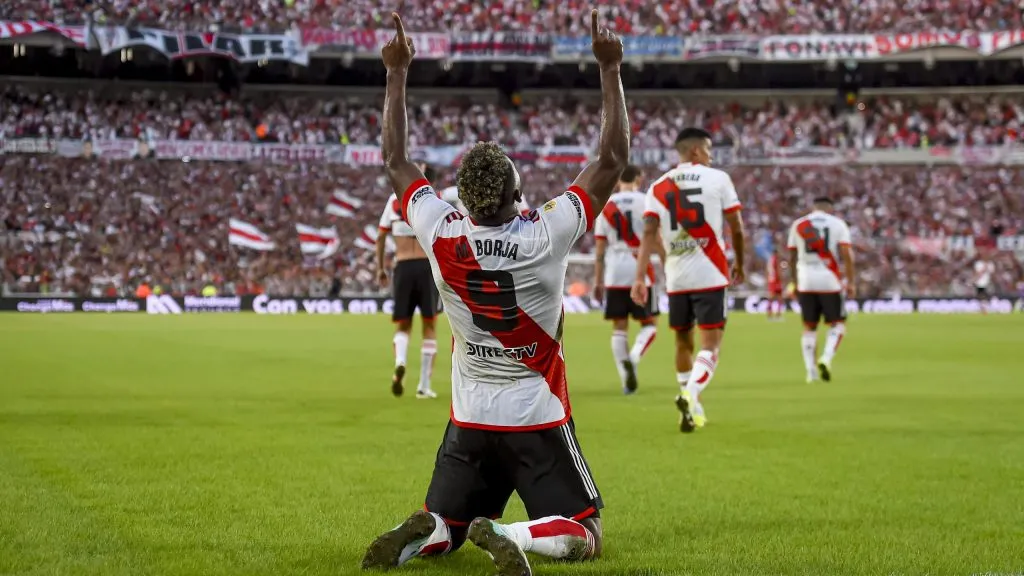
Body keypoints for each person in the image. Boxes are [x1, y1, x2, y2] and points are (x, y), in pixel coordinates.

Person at [362, 11, 627, 576]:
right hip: (536, 410)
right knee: (587, 533)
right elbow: (611, 161)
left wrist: (397, 73)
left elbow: (396, 160)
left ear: (462, 198)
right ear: (517, 193)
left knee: (450, 523)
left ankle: (429, 530)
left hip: (470, 414)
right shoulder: (546, 233)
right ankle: (510, 534)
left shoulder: (439, 229)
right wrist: (610, 68)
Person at [631, 127, 745, 433]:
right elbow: (736, 227)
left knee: (683, 342)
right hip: (711, 274)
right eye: (708, 150)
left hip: (676, 277)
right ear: (695, 150)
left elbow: (648, 234)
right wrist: (740, 262)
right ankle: (690, 394)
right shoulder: (718, 179)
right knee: (711, 345)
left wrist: (640, 277)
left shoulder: (657, 187)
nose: (711, 156)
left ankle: (692, 408)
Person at [593, 165, 662, 394]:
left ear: (617, 181)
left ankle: (626, 383)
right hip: (640, 269)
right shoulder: (646, 201)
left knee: (619, 327)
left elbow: (600, 248)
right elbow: (655, 238)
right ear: (639, 179)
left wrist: (598, 281)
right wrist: (666, 262)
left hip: (614, 271)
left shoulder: (606, 205)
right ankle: (633, 357)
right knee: (649, 324)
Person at [376, 161, 440, 399]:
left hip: (402, 266)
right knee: (429, 326)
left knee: (403, 325)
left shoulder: (394, 201)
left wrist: (380, 268)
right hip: (426, 266)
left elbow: (380, 236)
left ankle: (400, 362)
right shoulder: (434, 201)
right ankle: (424, 385)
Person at [787, 196, 854, 383]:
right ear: (829, 208)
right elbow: (847, 255)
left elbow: (791, 257)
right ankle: (826, 358)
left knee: (809, 326)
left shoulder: (798, 224)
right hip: (829, 279)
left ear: (814, 207)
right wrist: (851, 282)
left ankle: (811, 372)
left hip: (805, 279)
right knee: (838, 324)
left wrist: (794, 283)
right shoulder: (838, 224)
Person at [765, 246, 784, 321]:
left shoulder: (770, 259)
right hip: (776, 280)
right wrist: (781, 278)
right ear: (776, 253)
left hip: (771, 280)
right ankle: (776, 315)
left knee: (775, 297)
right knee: (777, 298)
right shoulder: (775, 259)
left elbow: (767, 270)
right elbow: (778, 270)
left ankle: (771, 314)